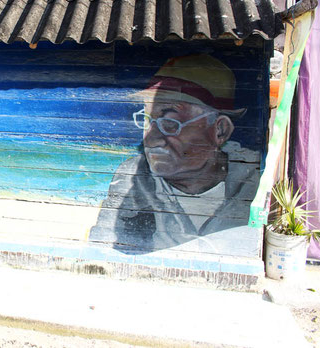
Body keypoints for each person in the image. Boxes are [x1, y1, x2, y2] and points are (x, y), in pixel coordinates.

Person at [89, 54, 259, 250]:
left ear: (220, 130)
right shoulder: (132, 176)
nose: (150, 139)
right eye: (146, 120)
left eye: (169, 123)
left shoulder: (255, 179)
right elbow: (103, 246)